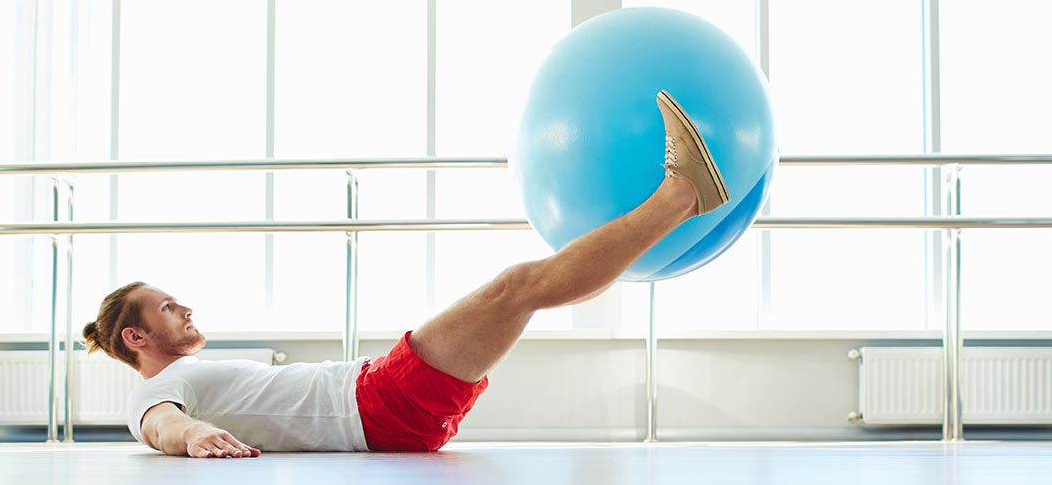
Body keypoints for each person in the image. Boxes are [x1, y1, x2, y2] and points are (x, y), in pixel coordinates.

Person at [81, 90, 730, 458]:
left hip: (380, 398)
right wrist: (193, 437)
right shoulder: (156, 390)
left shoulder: (193, 371)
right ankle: (679, 195)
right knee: (517, 288)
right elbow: (160, 423)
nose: (184, 308)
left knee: (522, 293)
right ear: (135, 338)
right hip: (376, 404)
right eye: (166, 308)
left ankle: (677, 196)